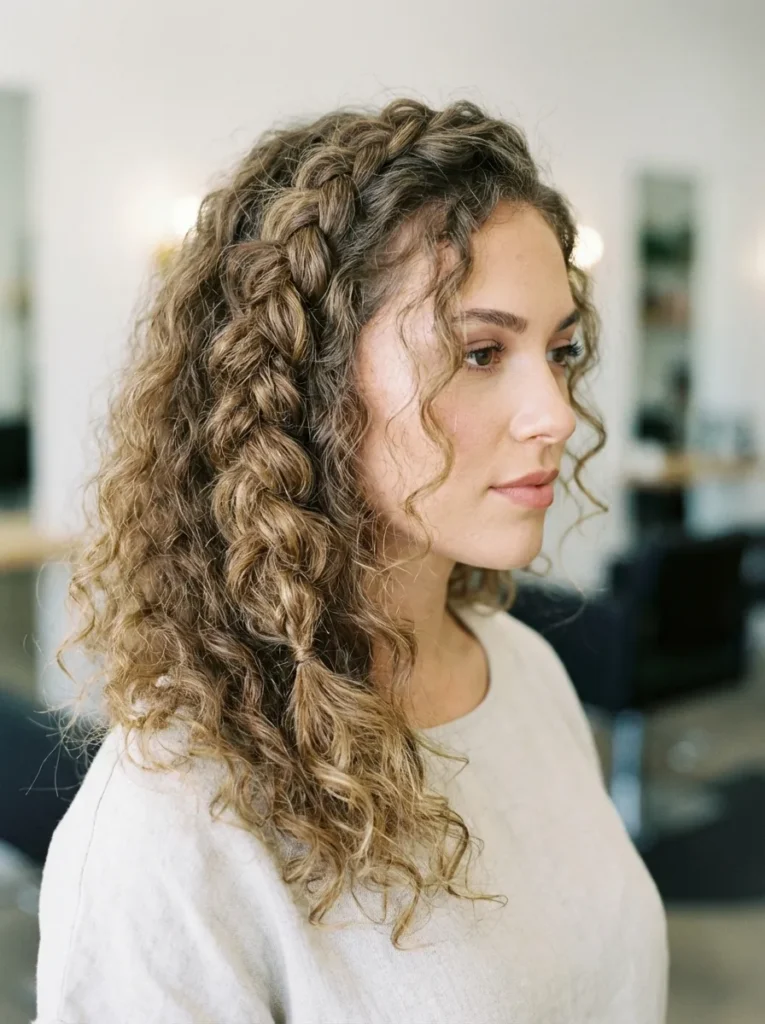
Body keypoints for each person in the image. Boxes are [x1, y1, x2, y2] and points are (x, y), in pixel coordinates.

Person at [34, 97, 669, 1023]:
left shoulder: (526, 672)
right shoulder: (177, 816)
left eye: (560, 350)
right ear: (310, 380)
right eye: (480, 352)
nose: (556, 415)